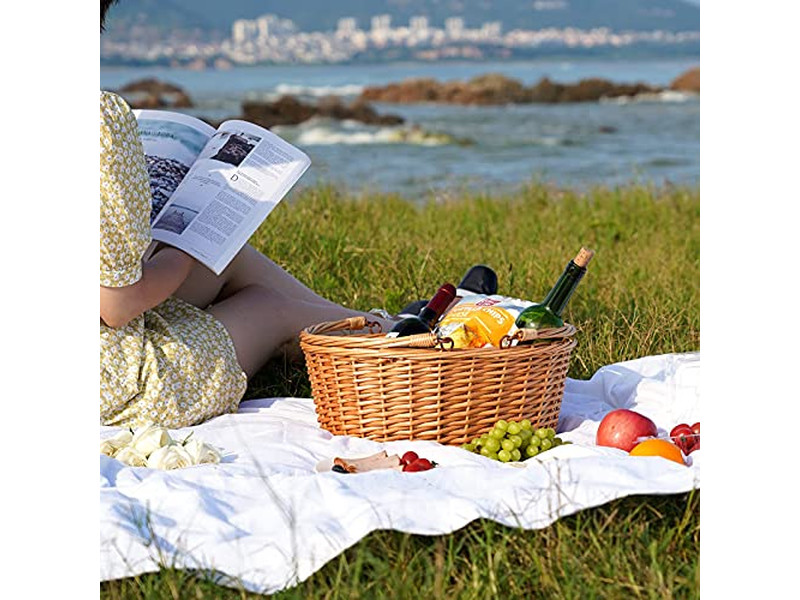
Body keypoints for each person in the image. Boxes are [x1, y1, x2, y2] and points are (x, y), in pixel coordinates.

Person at [100, 0, 394, 428]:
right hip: (109, 382)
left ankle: (373, 321)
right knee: (270, 308)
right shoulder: (96, 122)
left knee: (226, 255)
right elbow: (118, 305)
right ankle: (405, 341)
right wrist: (187, 237)